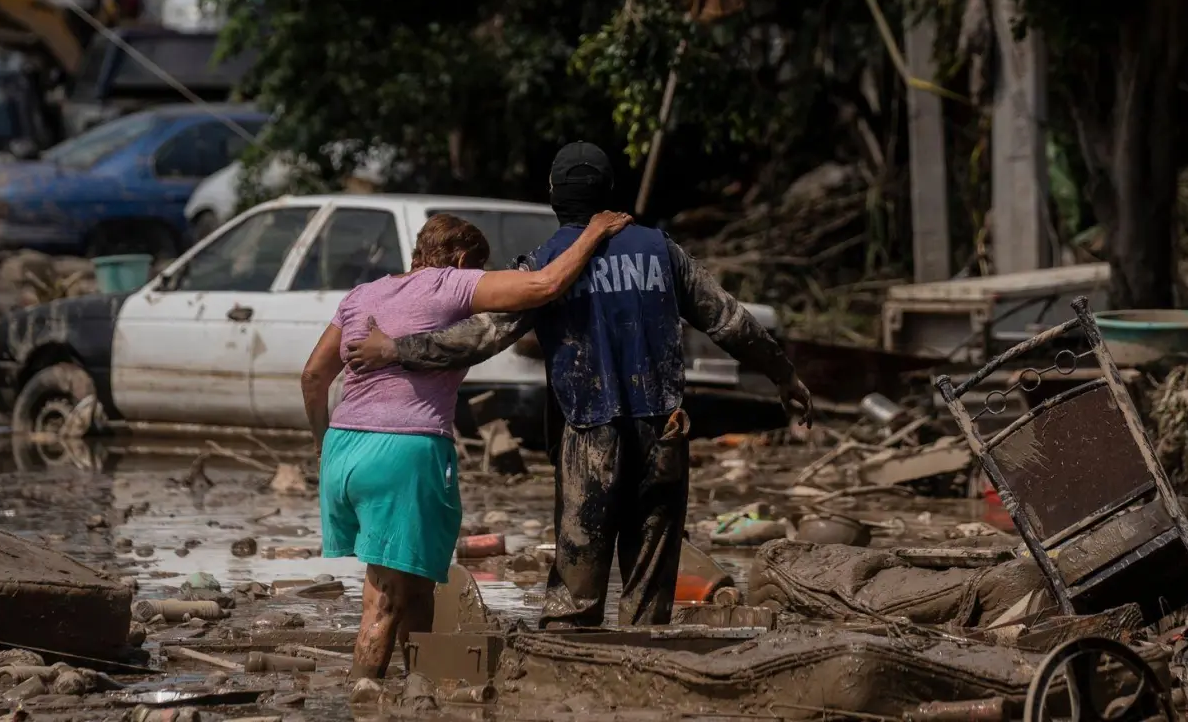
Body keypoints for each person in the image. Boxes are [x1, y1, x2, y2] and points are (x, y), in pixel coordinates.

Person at [343, 141, 814, 629]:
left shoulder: (548, 264)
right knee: (649, 585)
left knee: (575, 592)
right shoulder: (662, 251)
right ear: (608, 191)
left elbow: (480, 338)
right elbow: (731, 322)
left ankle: (570, 682)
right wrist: (784, 375)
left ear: (555, 195)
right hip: (664, 431)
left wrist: (396, 349)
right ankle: (647, 678)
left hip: (588, 434)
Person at [300, 209, 630, 687]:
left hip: (344, 450)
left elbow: (313, 376)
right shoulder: (450, 286)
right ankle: (363, 694)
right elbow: (543, 286)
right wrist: (595, 232)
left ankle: (420, 688)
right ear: (458, 258)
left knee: (417, 582)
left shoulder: (362, 294)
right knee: (385, 597)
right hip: (405, 451)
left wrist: (320, 443)